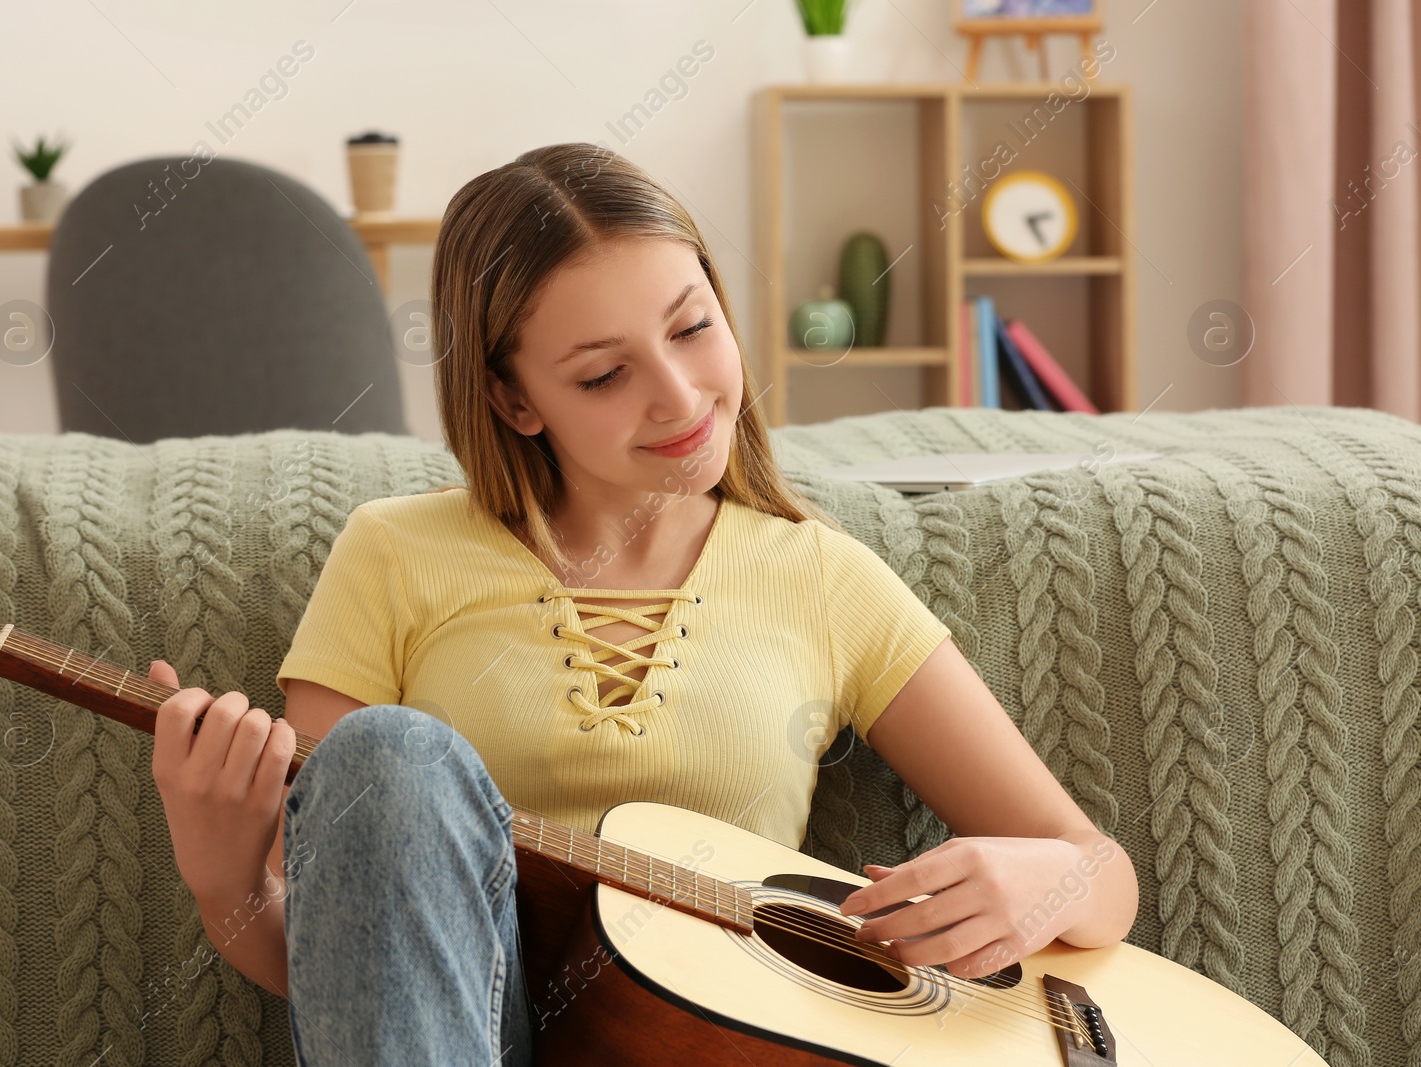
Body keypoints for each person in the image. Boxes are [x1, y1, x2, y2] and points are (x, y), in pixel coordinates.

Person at [147, 142, 1139, 1066]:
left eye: (692, 326)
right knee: (387, 755)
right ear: (514, 400)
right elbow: (351, 977)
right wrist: (223, 874)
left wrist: (1036, 881)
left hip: (713, 1044)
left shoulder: (821, 576)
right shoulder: (392, 554)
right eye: (604, 372)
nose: (678, 396)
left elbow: (1099, 871)